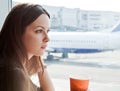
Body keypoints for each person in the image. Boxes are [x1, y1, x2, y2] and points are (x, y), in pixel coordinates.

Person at [0, 3, 55, 91]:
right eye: (39, 31)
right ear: (18, 33)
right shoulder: (13, 73)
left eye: (47, 31)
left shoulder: (13, 66)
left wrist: (39, 60)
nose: (47, 39)